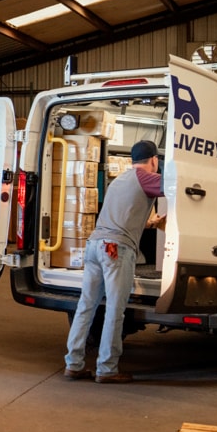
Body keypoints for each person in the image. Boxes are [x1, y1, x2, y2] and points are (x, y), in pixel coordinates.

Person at [64, 139, 165, 384]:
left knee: (86, 306)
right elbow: (178, 187)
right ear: (154, 160)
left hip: (95, 245)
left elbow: (124, 212)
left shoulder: (120, 179)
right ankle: (107, 368)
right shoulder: (147, 178)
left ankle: (73, 364)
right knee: (115, 309)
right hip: (116, 250)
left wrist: (151, 222)